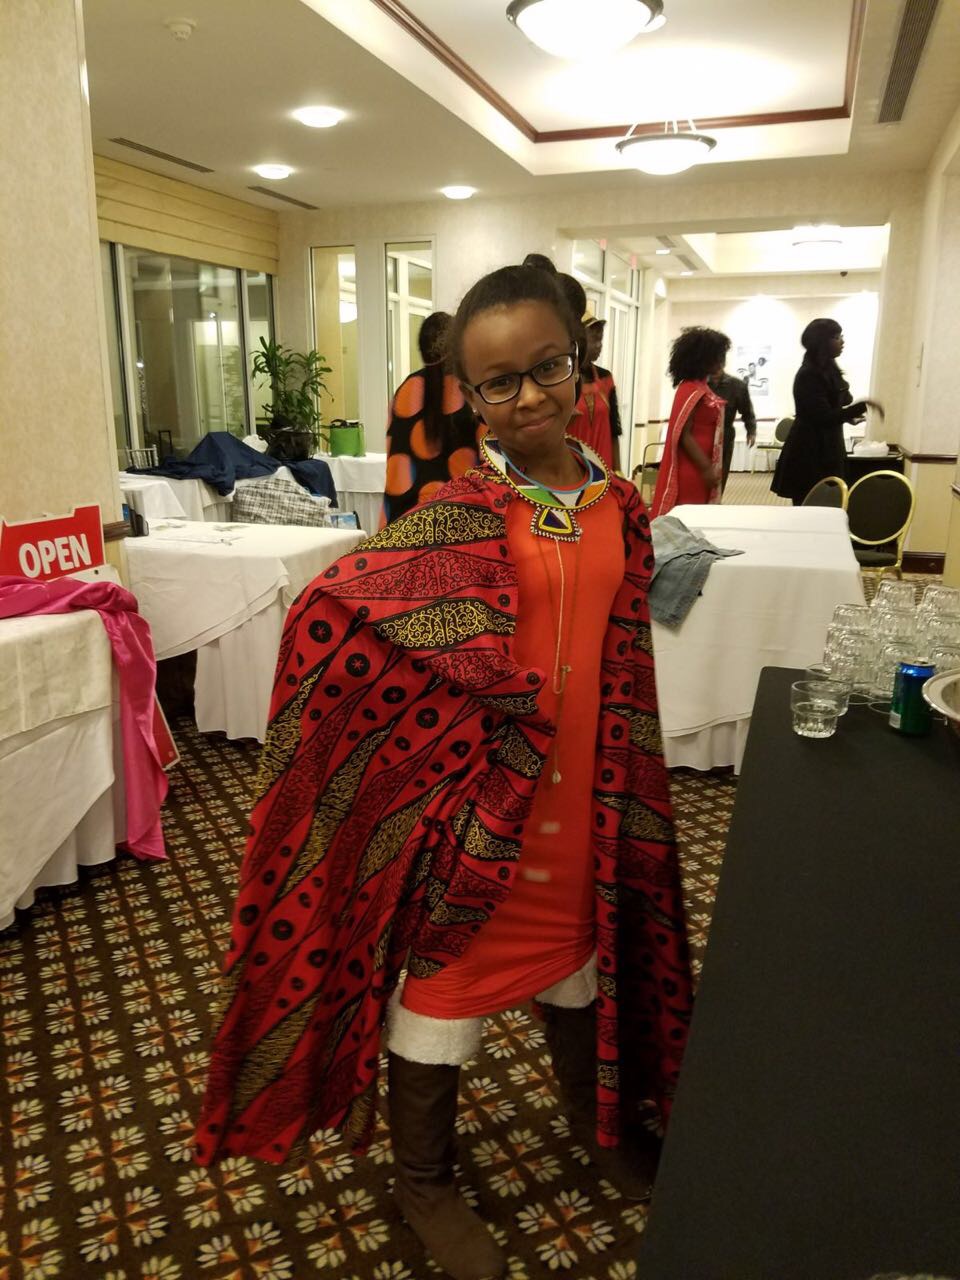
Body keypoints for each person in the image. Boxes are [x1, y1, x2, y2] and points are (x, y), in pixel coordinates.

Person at [194, 264, 692, 1280]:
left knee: (581, 957)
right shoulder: (459, 513)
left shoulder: (621, 505)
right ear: (469, 395)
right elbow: (337, 605)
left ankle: (596, 1121)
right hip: (481, 800)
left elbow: (624, 652)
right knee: (444, 989)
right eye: (499, 382)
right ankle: (423, 1180)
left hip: (587, 795)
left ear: (582, 361)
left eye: (547, 367)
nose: (529, 397)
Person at [382, 311, 482, 525]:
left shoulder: (404, 390)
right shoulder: (469, 390)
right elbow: (488, 458)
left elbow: (394, 459)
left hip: (406, 519)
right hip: (460, 517)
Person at [772, 318, 884, 505]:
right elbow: (822, 417)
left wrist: (848, 416)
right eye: (836, 337)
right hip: (809, 450)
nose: (842, 341)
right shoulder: (808, 374)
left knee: (831, 503)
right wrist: (862, 406)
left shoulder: (830, 369)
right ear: (822, 342)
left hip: (828, 446)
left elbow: (839, 402)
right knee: (809, 505)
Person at [651, 326, 730, 518]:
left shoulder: (701, 387)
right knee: (689, 518)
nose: (721, 362)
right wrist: (706, 468)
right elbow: (683, 435)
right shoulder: (690, 389)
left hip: (701, 467)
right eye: (717, 356)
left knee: (700, 517)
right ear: (702, 358)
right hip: (693, 468)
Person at [573, 312, 622, 472]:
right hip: (574, 469)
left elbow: (614, 430)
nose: (599, 345)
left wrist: (618, 472)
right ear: (578, 340)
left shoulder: (605, 378)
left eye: (600, 340)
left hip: (604, 470)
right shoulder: (564, 380)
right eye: (594, 339)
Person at [708, 365, 756, 491]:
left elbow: (747, 412)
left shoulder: (737, 386)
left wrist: (751, 431)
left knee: (720, 477)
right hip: (703, 435)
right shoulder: (700, 383)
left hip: (725, 436)